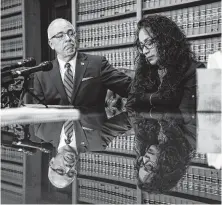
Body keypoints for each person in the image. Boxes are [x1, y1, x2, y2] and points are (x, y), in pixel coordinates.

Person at [34, 18, 132, 122]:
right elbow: (39, 116)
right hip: (58, 134)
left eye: (71, 33)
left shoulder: (97, 64)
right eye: (60, 36)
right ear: (51, 44)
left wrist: (106, 134)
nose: (68, 38)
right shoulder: (41, 75)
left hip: (91, 133)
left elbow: (130, 89)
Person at [126, 14, 205, 111]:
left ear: (166, 40)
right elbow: (130, 106)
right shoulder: (144, 70)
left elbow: (185, 115)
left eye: (149, 43)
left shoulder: (193, 70)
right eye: (142, 45)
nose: (144, 51)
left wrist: (145, 98)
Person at [33, 110, 132, 188]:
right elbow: (130, 118)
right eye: (71, 173)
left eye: (60, 170)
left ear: (51, 162)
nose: (68, 167)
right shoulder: (97, 142)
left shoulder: (42, 129)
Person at [130, 107, 196, 193]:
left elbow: (132, 111)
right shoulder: (192, 135)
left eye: (142, 163)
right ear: (166, 168)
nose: (144, 158)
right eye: (149, 166)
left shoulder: (148, 142)